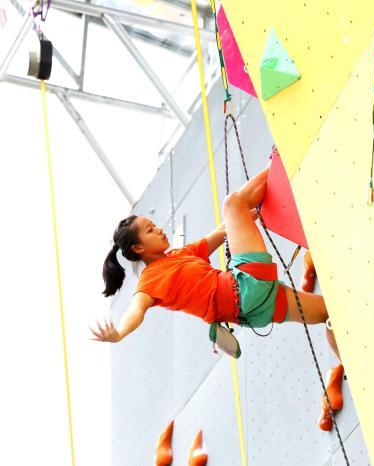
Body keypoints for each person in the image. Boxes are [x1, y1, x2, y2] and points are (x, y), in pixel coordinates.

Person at [91, 165, 343, 430]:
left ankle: (345, 364)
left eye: (154, 225)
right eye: (150, 230)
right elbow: (136, 310)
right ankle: (279, 162)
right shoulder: (149, 281)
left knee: (330, 314)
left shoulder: (181, 254)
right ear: (139, 247)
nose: (159, 229)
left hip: (254, 310)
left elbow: (222, 231)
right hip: (245, 290)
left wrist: (245, 219)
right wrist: (119, 333)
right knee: (232, 203)